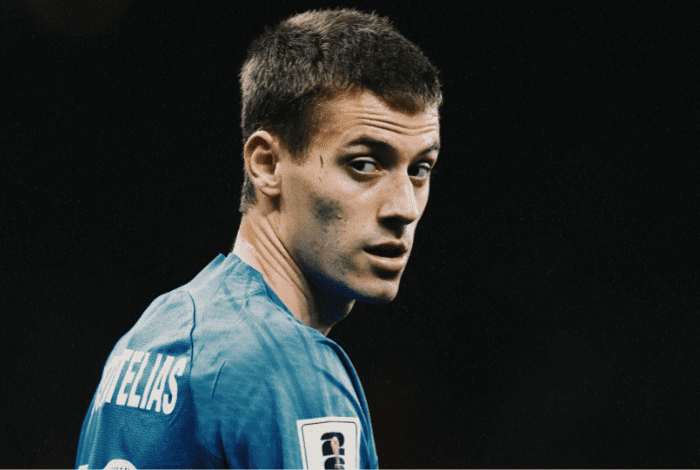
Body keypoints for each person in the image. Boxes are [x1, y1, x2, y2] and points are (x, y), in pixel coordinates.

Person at [75, 7, 442, 469]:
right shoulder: (289, 368)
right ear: (267, 164)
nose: (404, 208)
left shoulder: (153, 333)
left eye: (420, 169)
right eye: (364, 164)